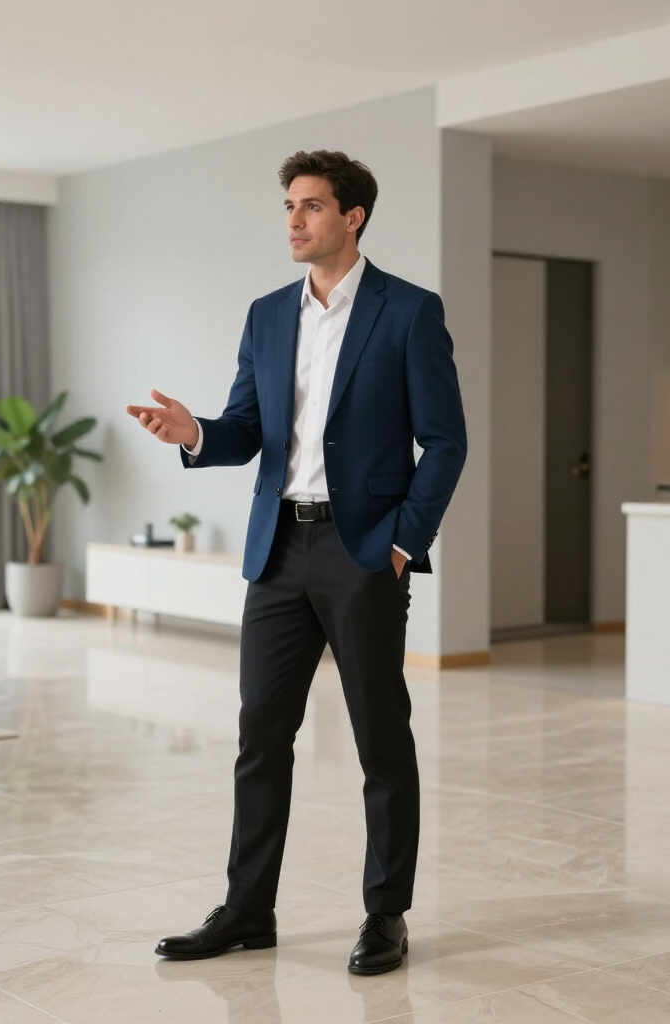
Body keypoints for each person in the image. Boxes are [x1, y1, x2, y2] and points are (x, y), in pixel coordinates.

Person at [126, 150, 467, 975]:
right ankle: (248, 909)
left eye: (310, 205)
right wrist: (197, 433)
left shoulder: (408, 311)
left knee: (380, 739)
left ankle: (385, 914)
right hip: (278, 548)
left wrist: (401, 542)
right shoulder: (267, 314)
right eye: (288, 205)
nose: (294, 219)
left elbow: (446, 442)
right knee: (260, 736)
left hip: (363, 552)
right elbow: (250, 427)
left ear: (353, 217)